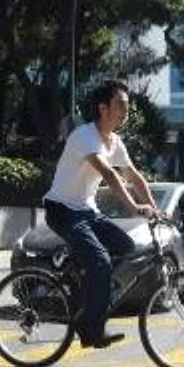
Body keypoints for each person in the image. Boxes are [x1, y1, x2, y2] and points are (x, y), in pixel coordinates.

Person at [43, 80, 158, 348]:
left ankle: (87, 293)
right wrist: (133, 207)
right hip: (62, 209)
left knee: (127, 248)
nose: (125, 111)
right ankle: (92, 327)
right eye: (121, 105)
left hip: (86, 210)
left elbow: (134, 176)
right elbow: (109, 174)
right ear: (103, 108)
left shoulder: (114, 141)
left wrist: (154, 208)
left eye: (127, 106)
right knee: (101, 263)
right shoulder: (84, 135)